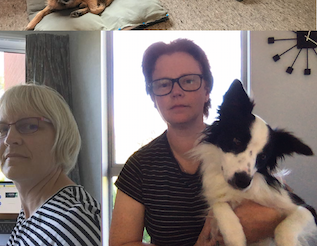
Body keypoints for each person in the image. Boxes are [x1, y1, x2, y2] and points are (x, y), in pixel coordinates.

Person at [109, 39, 284, 246]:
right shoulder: (139, 167)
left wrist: (272, 219)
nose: (176, 91)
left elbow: (292, 208)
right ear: (153, 96)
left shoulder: (241, 145)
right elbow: (121, 243)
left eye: (189, 80)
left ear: (207, 89)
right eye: (163, 84)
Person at [0, 83, 101, 246]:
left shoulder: (73, 225)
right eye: (3, 129)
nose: (9, 139)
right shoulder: (32, 210)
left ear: (62, 136)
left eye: (29, 126)